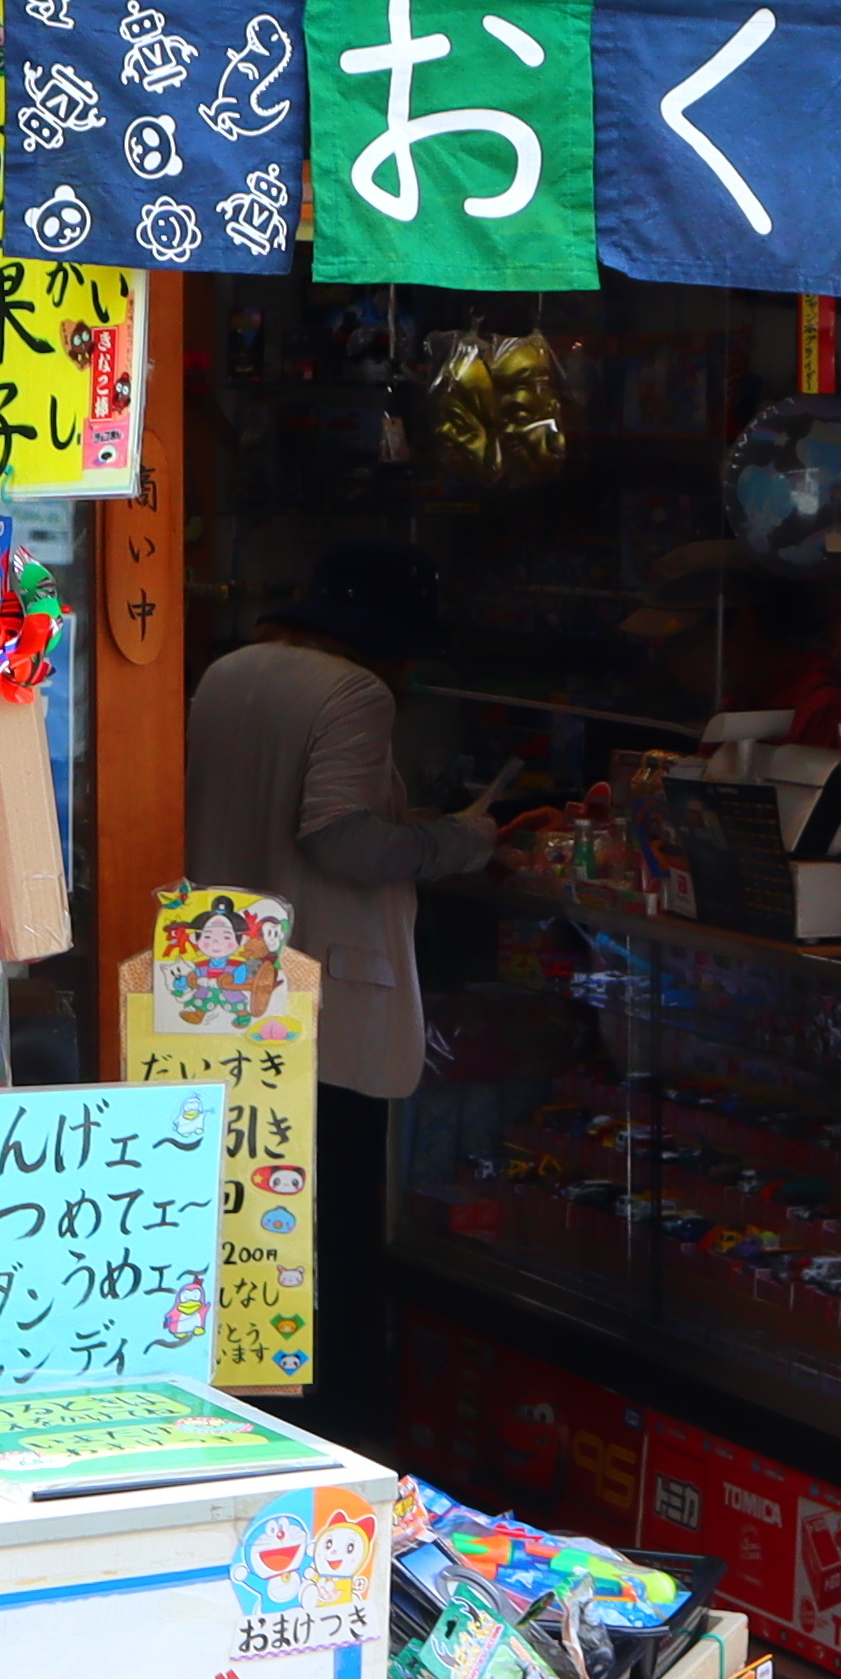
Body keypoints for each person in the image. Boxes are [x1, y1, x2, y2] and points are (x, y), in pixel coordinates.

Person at [186, 540, 518, 1446]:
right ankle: (339, 1442)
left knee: (250, 1235)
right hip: (322, 1002)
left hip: (221, 986)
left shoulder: (229, 673)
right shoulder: (354, 692)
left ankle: (248, 1423)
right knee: (331, 1242)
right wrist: (457, 840)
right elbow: (337, 837)